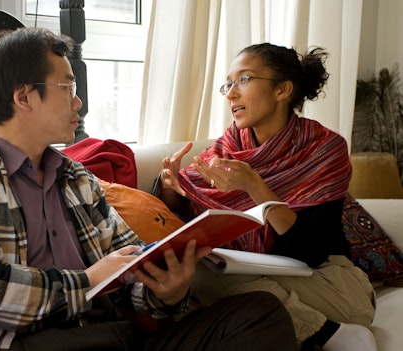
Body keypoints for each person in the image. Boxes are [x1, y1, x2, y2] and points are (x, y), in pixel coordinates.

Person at [0, 28, 297, 350]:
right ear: (24, 95)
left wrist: (165, 291)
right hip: (24, 344)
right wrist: (89, 280)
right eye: (68, 86)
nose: (79, 101)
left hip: (113, 338)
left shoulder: (78, 180)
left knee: (261, 313)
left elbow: (127, 272)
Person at [158, 43, 377, 351]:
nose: (231, 94)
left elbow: (312, 253)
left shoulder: (325, 149)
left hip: (329, 283)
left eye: (244, 80)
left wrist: (255, 186)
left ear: (282, 90)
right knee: (203, 271)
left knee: (215, 281)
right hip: (253, 278)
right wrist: (170, 185)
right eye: (228, 84)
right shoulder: (224, 151)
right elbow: (185, 216)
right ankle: (328, 334)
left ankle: (318, 328)